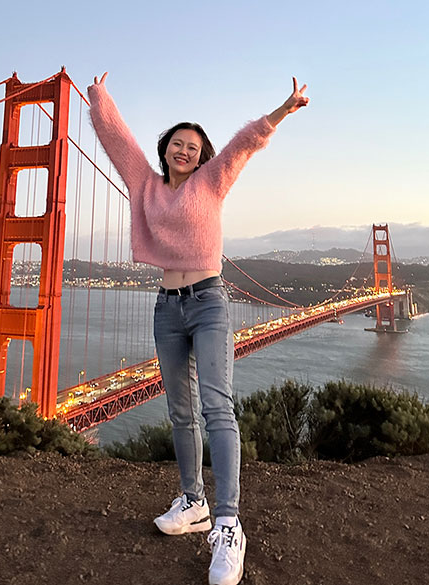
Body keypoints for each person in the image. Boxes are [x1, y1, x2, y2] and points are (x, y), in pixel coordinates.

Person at [87, 72, 309, 585]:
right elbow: (118, 140)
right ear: (165, 150)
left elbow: (242, 145)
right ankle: (193, 502)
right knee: (180, 411)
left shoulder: (212, 181)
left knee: (217, 406)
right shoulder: (145, 185)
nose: (185, 151)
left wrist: (282, 109)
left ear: (202, 156)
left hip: (209, 302)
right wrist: (100, 98)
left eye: (194, 147)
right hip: (167, 305)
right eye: (177, 144)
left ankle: (228, 525)